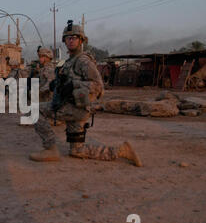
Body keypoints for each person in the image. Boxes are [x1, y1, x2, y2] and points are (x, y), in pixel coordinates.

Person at [29, 20, 142, 167]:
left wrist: (73, 85)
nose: (71, 40)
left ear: (81, 40)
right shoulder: (67, 62)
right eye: (68, 38)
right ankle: (121, 151)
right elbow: (64, 81)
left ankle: (50, 149)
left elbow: (98, 86)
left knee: (35, 110)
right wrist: (55, 85)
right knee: (77, 151)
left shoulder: (83, 61)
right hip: (72, 106)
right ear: (64, 41)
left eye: (74, 37)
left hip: (76, 108)